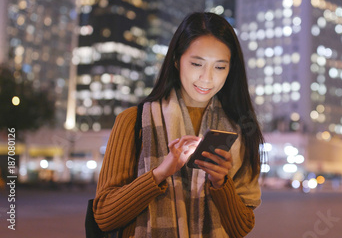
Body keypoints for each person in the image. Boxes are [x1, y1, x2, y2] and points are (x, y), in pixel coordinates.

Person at [93, 12, 264, 238]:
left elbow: (241, 227)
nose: (207, 78)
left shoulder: (241, 131)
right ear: (176, 60)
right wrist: (161, 172)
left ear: (231, 69)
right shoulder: (133, 121)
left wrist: (221, 183)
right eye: (196, 63)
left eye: (220, 67)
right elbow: (104, 216)